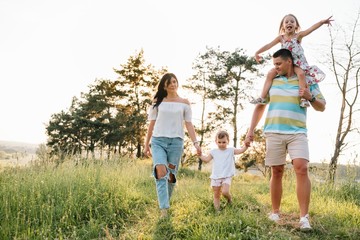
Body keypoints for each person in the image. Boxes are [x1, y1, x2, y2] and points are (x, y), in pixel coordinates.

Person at [245, 48, 326, 231]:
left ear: (289, 61)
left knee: (301, 167)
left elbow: (321, 107)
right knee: (277, 171)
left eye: (279, 64)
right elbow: (260, 106)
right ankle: (275, 212)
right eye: (274, 64)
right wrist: (250, 130)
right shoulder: (273, 81)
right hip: (274, 131)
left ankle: (304, 218)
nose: (276, 68)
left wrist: (310, 97)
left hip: (297, 132)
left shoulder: (306, 80)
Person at [143, 72, 202, 218]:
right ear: (164, 85)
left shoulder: (184, 103)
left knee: (171, 176)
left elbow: (189, 124)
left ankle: (165, 201)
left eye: (174, 82)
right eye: (169, 82)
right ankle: (164, 209)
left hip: (176, 142)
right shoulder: (158, 101)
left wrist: (196, 143)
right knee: (160, 171)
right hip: (158, 141)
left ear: (177, 83)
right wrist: (146, 144)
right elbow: (151, 124)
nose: (172, 85)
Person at [251, 14, 333, 108]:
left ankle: (303, 99)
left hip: (297, 63)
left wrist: (322, 22)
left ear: (296, 26)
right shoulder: (280, 38)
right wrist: (257, 52)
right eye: (286, 22)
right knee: (270, 73)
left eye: (292, 21)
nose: (289, 23)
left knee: (301, 74)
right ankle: (262, 97)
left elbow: (310, 29)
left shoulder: (298, 35)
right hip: (285, 63)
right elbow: (268, 45)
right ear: (282, 26)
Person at [199, 130, 249, 212]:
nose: (221, 144)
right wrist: (200, 155)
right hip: (216, 176)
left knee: (225, 192)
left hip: (226, 175)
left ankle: (229, 199)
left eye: (224, 142)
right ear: (216, 142)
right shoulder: (213, 151)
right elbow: (206, 159)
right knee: (216, 195)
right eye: (219, 142)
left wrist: (246, 146)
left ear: (228, 141)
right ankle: (217, 211)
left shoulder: (231, 150)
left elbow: (241, 151)